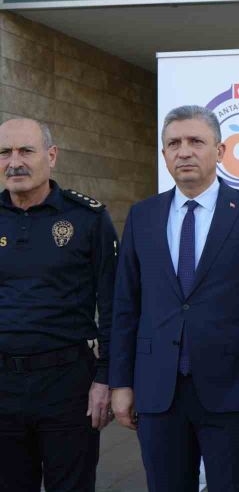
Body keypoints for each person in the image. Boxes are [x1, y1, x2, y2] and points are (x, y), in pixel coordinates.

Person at [109, 105, 239, 491]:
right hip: (158, 391)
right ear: (164, 154)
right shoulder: (142, 216)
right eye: (174, 143)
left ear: (220, 151)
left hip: (232, 392)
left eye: (196, 141)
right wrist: (119, 382)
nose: (184, 152)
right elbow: (125, 306)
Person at [0, 118, 117, 491]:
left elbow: (114, 305)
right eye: (4, 152)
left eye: (26, 151)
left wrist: (107, 378)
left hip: (68, 385)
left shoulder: (88, 218)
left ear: (51, 157)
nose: (14, 162)